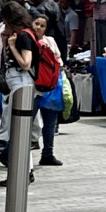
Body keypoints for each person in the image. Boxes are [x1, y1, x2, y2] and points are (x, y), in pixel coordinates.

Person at [0, 1, 40, 183]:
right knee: (19, 129)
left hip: (22, 84)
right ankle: (24, 170)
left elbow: (26, 63)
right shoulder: (24, 34)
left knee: (19, 128)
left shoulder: (23, 37)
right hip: (20, 84)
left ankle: (21, 172)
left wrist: (12, 46)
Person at [31, 15, 65, 168]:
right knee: (25, 121)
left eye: (42, 25)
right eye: (36, 24)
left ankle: (48, 153)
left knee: (50, 123)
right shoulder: (27, 40)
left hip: (51, 87)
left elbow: (59, 61)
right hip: (33, 88)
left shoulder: (50, 41)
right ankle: (9, 151)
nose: (39, 27)